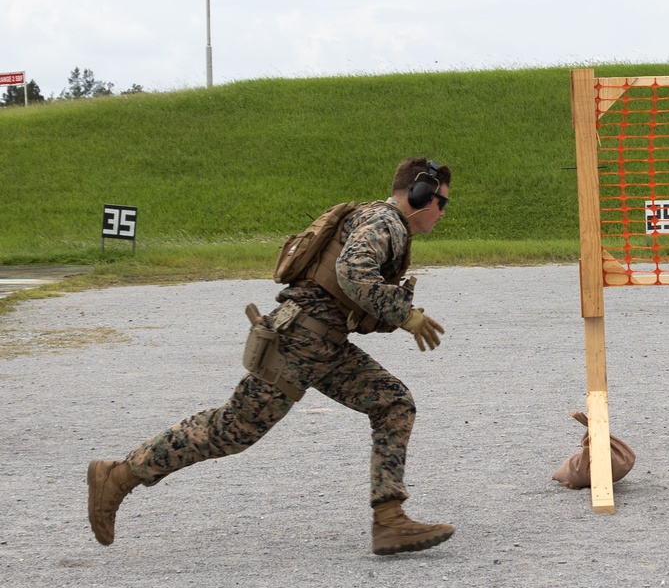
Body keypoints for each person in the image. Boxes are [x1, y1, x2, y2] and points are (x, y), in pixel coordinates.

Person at [88, 157, 455, 555]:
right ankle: (118, 475)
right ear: (420, 194)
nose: (442, 213)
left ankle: (389, 519)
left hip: (322, 343)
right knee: (232, 430)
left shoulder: (378, 219)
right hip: (300, 341)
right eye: (442, 203)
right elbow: (352, 270)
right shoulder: (387, 224)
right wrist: (407, 316)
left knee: (393, 401)